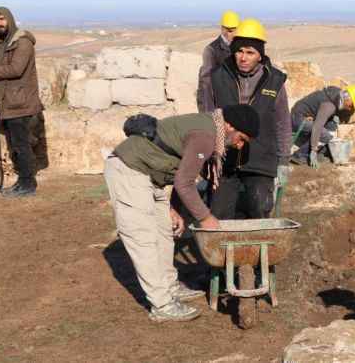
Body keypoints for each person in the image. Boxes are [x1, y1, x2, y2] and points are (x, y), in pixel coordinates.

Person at [103, 105, 260, 322]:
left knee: (164, 233)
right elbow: (184, 182)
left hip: (149, 175)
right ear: (230, 126)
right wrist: (206, 218)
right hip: (129, 170)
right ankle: (162, 304)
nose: (239, 145)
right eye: (242, 138)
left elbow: (178, 169)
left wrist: (173, 208)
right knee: (144, 238)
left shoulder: (210, 128)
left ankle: (169, 287)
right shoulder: (205, 136)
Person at [208, 18, 292, 220]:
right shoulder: (218, 76)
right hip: (225, 158)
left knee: (259, 207)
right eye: (239, 51)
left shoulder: (275, 80)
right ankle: (223, 251)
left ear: (260, 55)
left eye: (250, 52)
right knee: (219, 213)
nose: (243, 58)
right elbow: (208, 116)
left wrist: (283, 161)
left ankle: (255, 250)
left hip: (261, 159)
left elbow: (282, 123)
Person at [0, 7, 43, 197]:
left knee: (21, 145)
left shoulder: (22, 43)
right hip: (8, 103)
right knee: (16, 145)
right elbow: (2, 69)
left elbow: (16, 69)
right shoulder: (1, 44)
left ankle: (28, 185)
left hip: (21, 103)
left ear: (9, 19)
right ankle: (22, 182)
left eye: (1, 19)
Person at [289, 84, 355, 168]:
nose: (350, 108)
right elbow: (317, 127)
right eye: (351, 105)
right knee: (324, 135)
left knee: (332, 126)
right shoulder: (329, 106)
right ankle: (300, 155)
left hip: (307, 115)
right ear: (347, 99)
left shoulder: (337, 95)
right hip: (298, 118)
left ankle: (321, 152)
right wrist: (313, 150)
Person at [197, 10, 239, 112]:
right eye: (229, 31)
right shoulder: (211, 50)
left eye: (235, 30)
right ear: (222, 29)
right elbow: (206, 84)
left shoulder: (239, 47)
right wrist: (208, 114)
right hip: (219, 107)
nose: (233, 34)